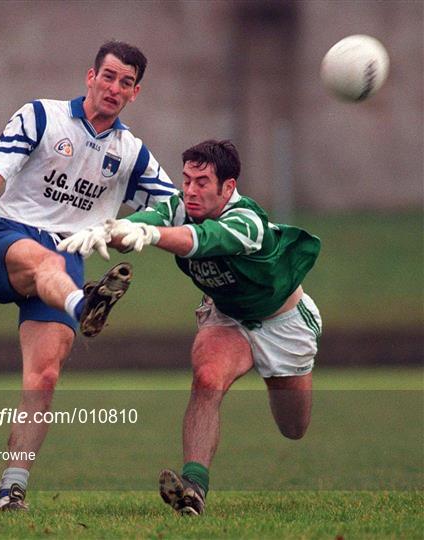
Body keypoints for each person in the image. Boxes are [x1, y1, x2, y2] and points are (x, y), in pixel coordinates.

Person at [0, 41, 177, 511]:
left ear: (135, 93)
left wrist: (131, 229)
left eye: (126, 82)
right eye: (108, 76)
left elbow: (174, 208)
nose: (114, 87)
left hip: (68, 263)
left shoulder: (131, 154)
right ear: (90, 76)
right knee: (48, 263)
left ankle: (11, 490)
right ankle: (87, 306)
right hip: (10, 242)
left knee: (42, 378)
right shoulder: (41, 117)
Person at [59, 139, 322, 516]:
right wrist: (108, 231)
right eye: (186, 180)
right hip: (226, 316)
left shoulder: (248, 221)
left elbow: (201, 241)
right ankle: (194, 489)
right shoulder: (179, 207)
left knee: (293, 427)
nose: (191, 190)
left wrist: (153, 237)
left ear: (228, 187)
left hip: (283, 322)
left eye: (202, 182)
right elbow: (140, 223)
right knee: (207, 379)